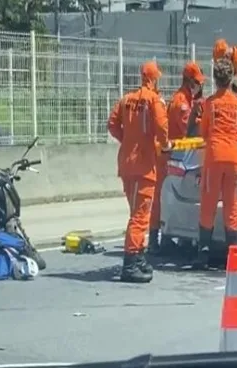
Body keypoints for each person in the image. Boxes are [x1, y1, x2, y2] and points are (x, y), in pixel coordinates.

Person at [107, 60, 168, 283]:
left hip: (127, 163)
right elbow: (162, 127)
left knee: (137, 213)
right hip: (144, 165)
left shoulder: (126, 99)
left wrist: (128, 140)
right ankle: (131, 262)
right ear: (154, 79)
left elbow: (112, 124)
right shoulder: (154, 100)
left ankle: (138, 256)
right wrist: (164, 144)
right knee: (140, 216)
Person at [148, 61, 206, 255]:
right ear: (189, 82)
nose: (200, 86)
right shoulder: (181, 101)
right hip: (168, 156)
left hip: (179, 156)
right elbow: (187, 130)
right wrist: (201, 120)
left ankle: (170, 238)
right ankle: (154, 240)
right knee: (162, 197)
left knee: (174, 197)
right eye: (197, 82)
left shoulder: (188, 99)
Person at [197, 58, 237, 267]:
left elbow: (204, 132)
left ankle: (203, 253)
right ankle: (234, 254)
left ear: (215, 79)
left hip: (215, 156)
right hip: (234, 158)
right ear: (231, 78)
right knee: (232, 205)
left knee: (208, 204)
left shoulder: (210, 103)